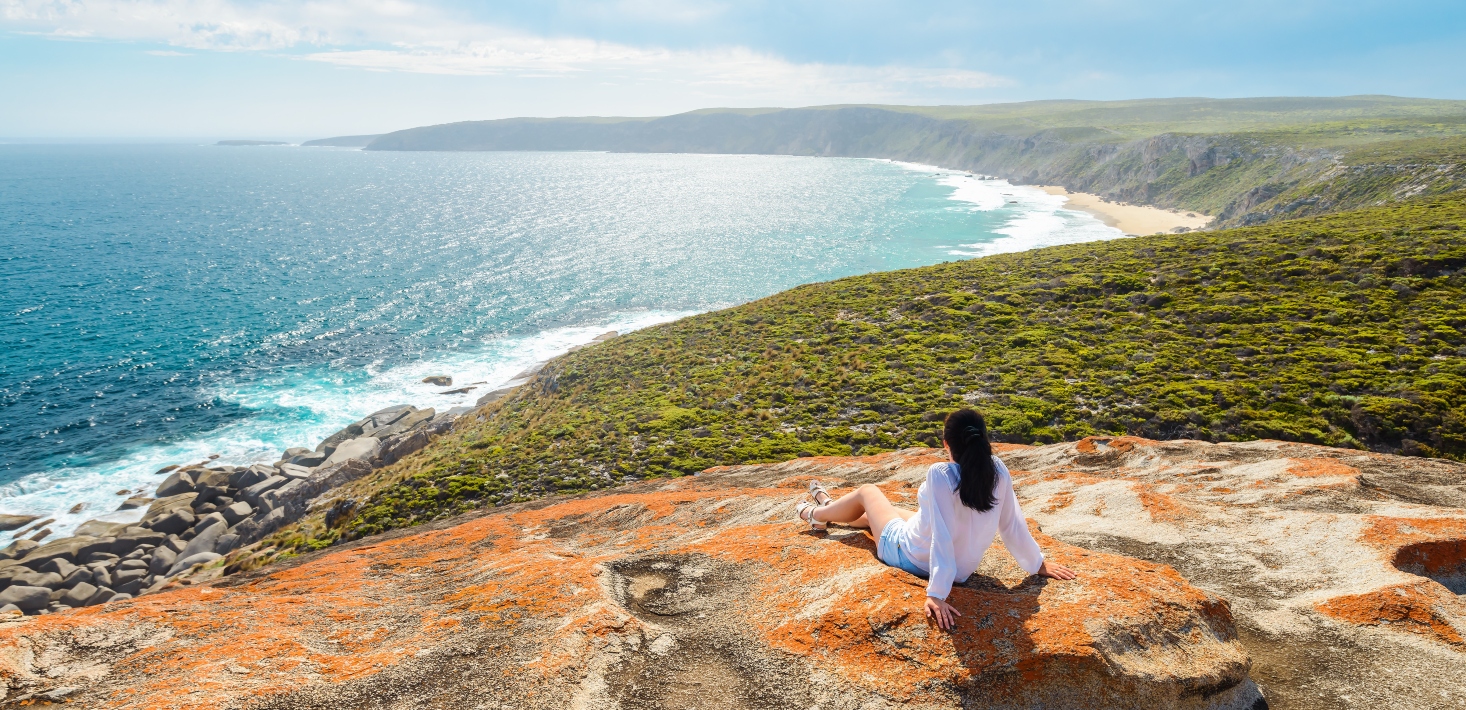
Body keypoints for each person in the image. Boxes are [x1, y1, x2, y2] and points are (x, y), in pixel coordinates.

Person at [795, 408, 1076, 629]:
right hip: (961, 570)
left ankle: (817, 515)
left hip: (910, 555)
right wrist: (1036, 563)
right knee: (881, 515)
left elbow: (941, 535)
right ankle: (832, 509)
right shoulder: (998, 471)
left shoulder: (940, 474)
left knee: (868, 492)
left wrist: (937, 594)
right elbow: (1012, 524)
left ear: (946, 444)